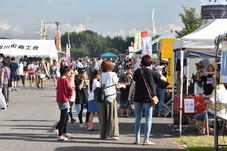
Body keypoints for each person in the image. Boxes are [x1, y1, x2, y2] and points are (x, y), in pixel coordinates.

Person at [127, 55, 167, 145]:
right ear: (151, 62)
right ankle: (146, 139)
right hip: (149, 98)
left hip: (137, 97)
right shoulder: (153, 72)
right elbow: (165, 80)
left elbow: (133, 84)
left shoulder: (137, 72)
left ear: (142, 62)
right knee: (148, 119)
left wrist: (129, 96)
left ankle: (137, 139)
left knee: (138, 118)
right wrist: (160, 74)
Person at [100, 60, 123, 140]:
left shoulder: (102, 74)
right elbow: (116, 85)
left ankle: (104, 134)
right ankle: (112, 134)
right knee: (112, 115)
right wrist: (123, 86)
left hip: (103, 96)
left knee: (104, 116)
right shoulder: (113, 74)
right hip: (111, 96)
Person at [55, 65, 74, 141]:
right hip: (64, 99)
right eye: (69, 72)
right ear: (66, 72)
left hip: (60, 99)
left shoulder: (59, 79)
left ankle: (64, 132)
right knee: (63, 118)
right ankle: (60, 134)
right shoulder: (65, 80)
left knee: (65, 117)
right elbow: (70, 89)